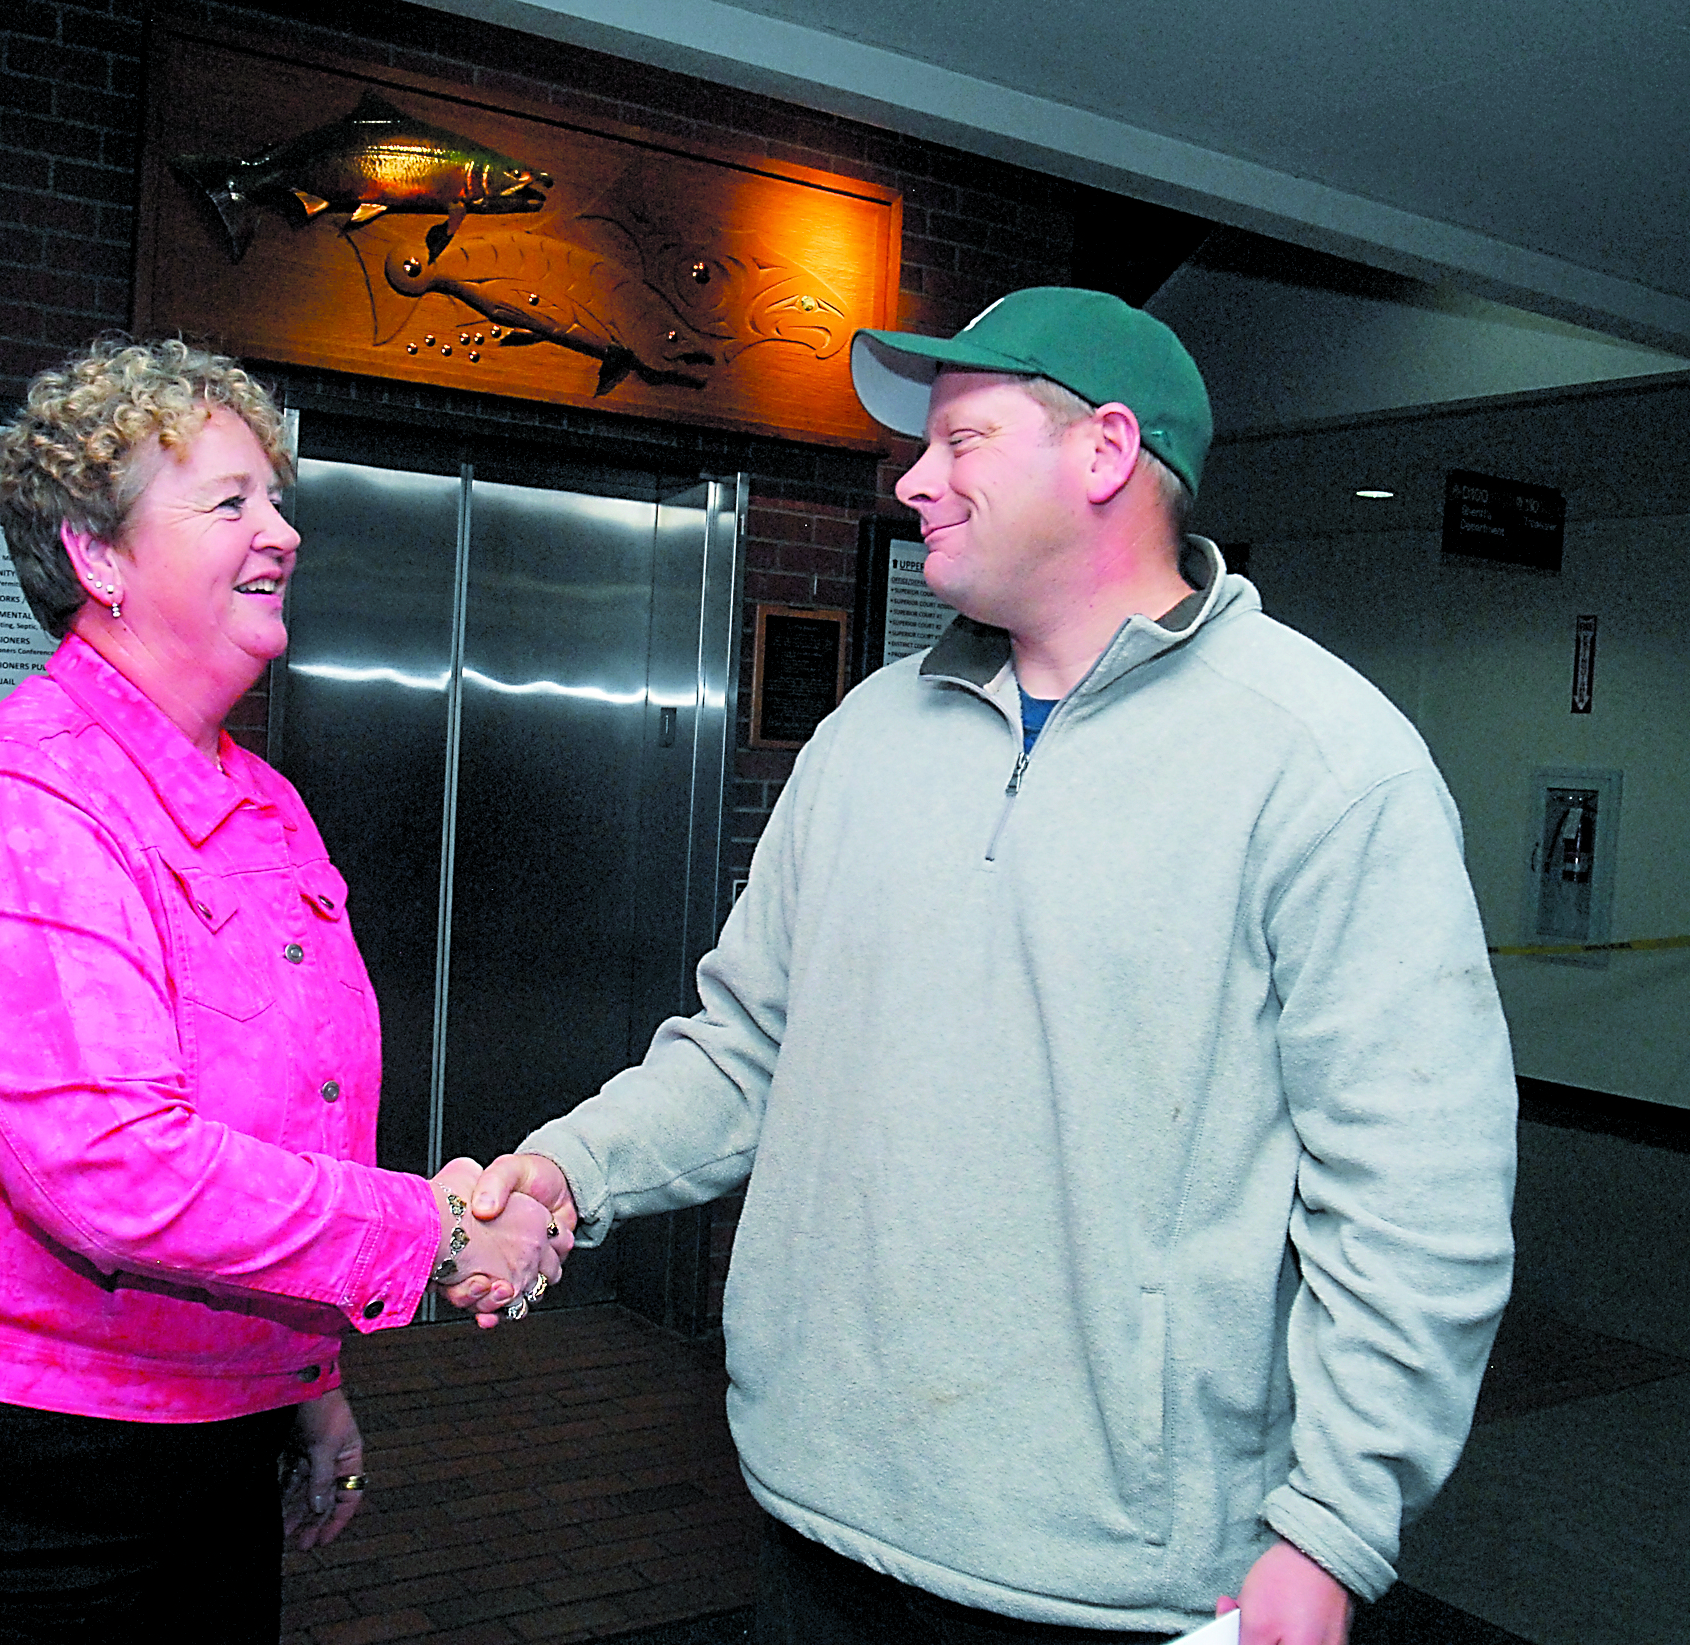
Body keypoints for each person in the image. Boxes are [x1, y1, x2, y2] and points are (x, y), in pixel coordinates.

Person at [469, 288, 1517, 1643]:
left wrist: (1331, 1529)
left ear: (1102, 455)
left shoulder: (1320, 763)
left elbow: (1413, 1195)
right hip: (811, 1505)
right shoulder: (862, 737)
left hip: (1112, 1577)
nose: (915, 480)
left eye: (960, 440)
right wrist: (564, 1174)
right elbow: (744, 1054)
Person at [0, 336, 568, 1642]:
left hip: (200, 1445)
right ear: (97, 557)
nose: (283, 532)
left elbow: (272, 1141)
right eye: (230, 501)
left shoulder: (262, 802)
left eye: (278, 499)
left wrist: (301, 1382)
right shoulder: (20, 801)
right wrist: (439, 1237)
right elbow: (113, 1177)